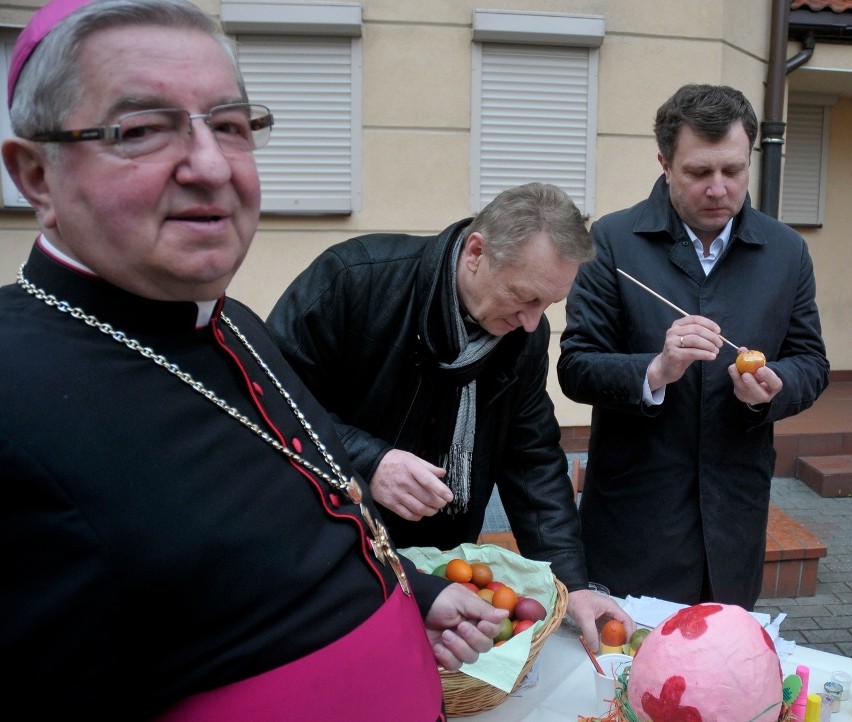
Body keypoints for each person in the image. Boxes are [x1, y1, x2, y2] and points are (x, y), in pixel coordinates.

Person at [0, 0, 509, 718]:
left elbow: (301, 517)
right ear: (37, 177)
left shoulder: (235, 322)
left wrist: (410, 593)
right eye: (142, 130)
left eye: (231, 126)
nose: (211, 166)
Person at [266, 181, 634, 648]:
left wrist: (573, 583)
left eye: (548, 304)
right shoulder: (354, 279)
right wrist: (368, 462)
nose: (532, 322)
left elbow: (532, 458)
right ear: (476, 252)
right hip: (328, 554)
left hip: (440, 570)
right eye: (524, 296)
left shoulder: (523, 335)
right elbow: (267, 406)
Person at [558, 84, 829, 609]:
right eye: (699, 172)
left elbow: (811, 362)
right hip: (635, 517)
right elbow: (576, 367)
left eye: (733, 170)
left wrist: (773, 390)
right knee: (628, 675)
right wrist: (655, 370)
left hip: (733, 517)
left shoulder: (786, 251)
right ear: (664, 162)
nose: (718, 189)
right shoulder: (612, 242)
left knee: (720, 672)